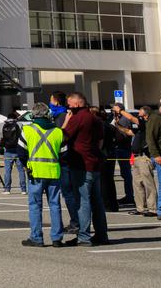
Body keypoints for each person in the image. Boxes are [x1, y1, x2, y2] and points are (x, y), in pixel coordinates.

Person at [60, 91, 109, 246]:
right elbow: (100, 142)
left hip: (81, 164)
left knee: (82, 201)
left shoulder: (78, 118)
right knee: (97, 201)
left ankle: (84, 236)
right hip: (95, 163)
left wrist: (66, 122)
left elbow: (63, 137)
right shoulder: (96, 119)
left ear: (77, 103)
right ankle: (102, 234)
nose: (68, 107)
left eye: (69, 104)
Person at [18, 102, 65, 248]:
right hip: (53, 172)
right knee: (55, 205)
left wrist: (27, 166)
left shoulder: (27, 130)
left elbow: (21, 153)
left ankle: (36, 237)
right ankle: (57, 238)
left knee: (35, 206)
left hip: (35, 173)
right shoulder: (58, 132)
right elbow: (64, 153)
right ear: (48, 114)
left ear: (33, 115)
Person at [120, 106, 157, 217]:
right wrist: (117, 124)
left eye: (140, 112)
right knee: (137, 184)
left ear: (145, 114)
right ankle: (140, 208)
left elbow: (131, 118)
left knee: (148, 183)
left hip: (144, 158)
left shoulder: (147, 124)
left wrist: (120, 110)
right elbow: (129, 131)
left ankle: (153, 208)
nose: (138, 114)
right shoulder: (140, 129)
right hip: (136, 158)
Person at [109, 102, 135, 207]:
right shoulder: (115, 118)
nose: (112, 110)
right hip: (117, 148)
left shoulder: (124, 119)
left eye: (113, 108)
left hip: (123, 148)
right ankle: (128, 195)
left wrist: (116, 125)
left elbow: (125, 134)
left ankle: (129, 196)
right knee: (124, 174)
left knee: (126, 173)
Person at [94, 106, 119, 212]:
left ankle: (106, 204)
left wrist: (97, 152)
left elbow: (101, 141)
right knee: (109, 180)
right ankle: (113, 204)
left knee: (103, 181)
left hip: (104, 155)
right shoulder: (108, 125)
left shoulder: (100, 125)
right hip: (110, 154)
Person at [0, 111, 27, 195]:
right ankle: (23, 189)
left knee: (7, 170)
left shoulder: (2, 125)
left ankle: (7, 189)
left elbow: (0, 137)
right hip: (18, 150)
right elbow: (23, 136)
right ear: (15, 118)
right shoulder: (19, 124)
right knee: (21, 170)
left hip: (8, 151)